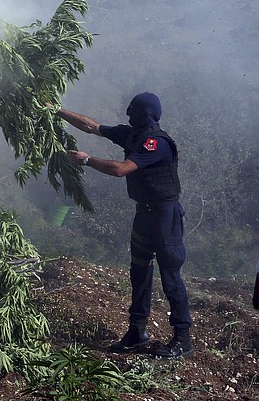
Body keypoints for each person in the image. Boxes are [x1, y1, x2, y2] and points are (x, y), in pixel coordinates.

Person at [54, 92, 193, 359]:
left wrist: (86, 160)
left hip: (165, 217)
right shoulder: (131, 135)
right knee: (139, 272)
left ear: (145, 114)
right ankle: (136, 332)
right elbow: (91, 126)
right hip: (144, 214)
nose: (127, 115)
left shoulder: (157, 143)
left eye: (132, 111)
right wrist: (56, 110)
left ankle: (183, 339)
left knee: (171, 278)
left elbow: (121, 169)